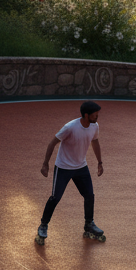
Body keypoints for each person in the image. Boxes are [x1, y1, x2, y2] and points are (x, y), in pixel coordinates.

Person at [37, 100, 104, 244]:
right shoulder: (70, 127)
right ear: (86, 115)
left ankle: (89, 224)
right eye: (95, 114)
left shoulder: (94, 126)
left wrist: (100, 162)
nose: (97, 116)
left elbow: (95, 142)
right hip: (63, 167)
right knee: (55, 198)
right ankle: (43, 225)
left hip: (81, 167)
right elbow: (52, 142)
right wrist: (45, 164)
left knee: (89, 196)